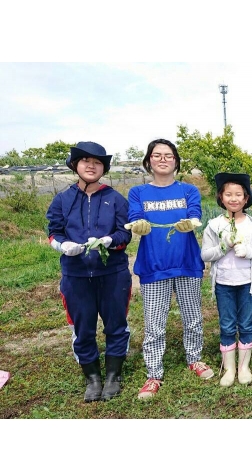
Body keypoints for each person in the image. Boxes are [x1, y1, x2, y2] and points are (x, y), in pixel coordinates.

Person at [46, 141, 132, 402]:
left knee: (116, 325)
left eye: (97, 162)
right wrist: (62, 245)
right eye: (85, 161)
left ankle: (112, 376)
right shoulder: (63, 199)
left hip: (113, 274)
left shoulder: (115, 199)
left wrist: (110, 241)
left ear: (103, 168)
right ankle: (93, 377)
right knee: (82, 328)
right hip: (76, 275)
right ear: (76, 166)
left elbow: (125, 232)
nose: (91, 166)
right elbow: (53, 232)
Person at [127, 138, 211, 400]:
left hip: (186, 263)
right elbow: (134, 216)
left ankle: (195, 358)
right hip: (154, 266)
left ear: (176, 161)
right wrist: (136, 224)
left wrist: (192, 222)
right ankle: (153, 374)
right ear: (148, 161)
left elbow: (196, 212)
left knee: (193, 317)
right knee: (154, 323)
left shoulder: (188, 190)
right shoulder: (138, 193)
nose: (163, 159)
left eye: (168, 155)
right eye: (157, 155)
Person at [201, 173, 252, 387]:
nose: (234, 198)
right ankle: (229, 368)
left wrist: (248, 251)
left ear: (246, 198)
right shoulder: (213, 225)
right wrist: (223, 246)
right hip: (224, 283)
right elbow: (205, 255)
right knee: (227, 325)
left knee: (246, 324)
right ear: (221, 197)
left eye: (239, 194)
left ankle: (244, 367)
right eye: (228, 194)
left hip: (247, 283)